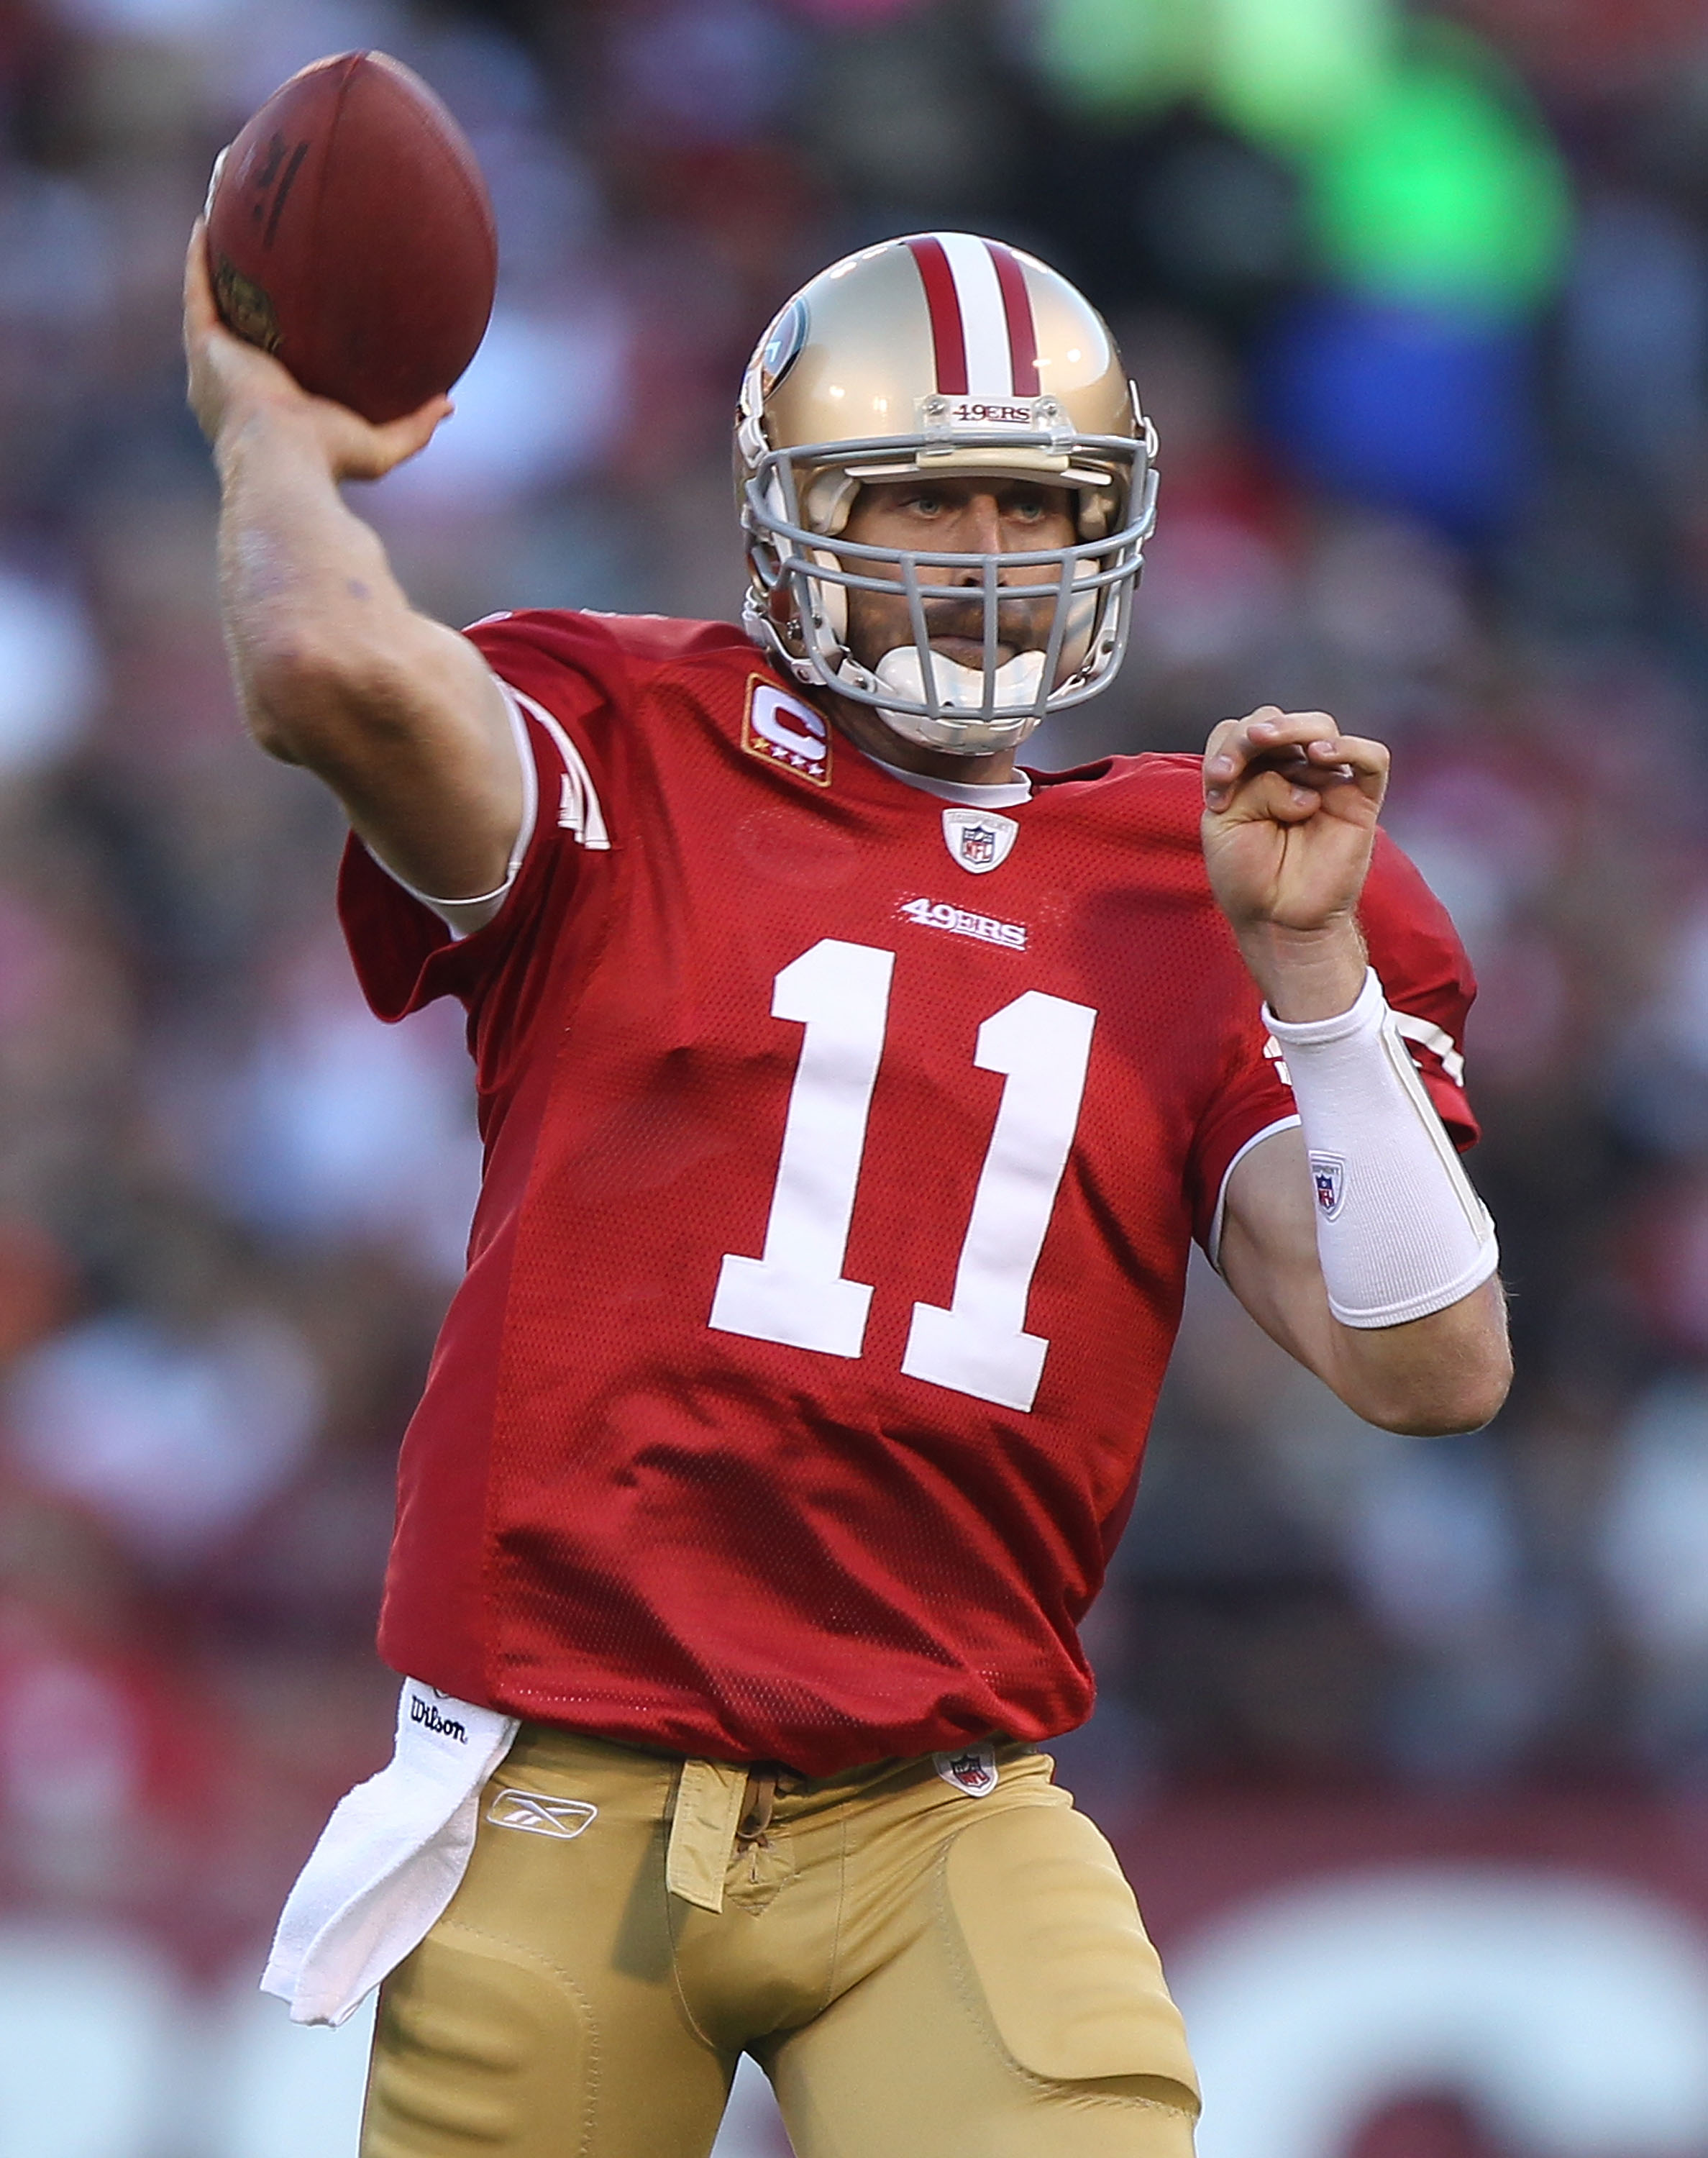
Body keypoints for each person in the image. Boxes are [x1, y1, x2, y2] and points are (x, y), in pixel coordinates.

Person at [185, 224, 1510, 2157]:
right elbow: (318, 665)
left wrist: (1314, 986)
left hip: (943, 1808)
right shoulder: (629, 741)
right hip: (562, 1774)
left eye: (1027, 499)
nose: (981, 552)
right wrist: (273, 439)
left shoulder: (1221, 870)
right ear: (790, 508)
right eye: (922, 494)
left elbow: (1431, 1367)